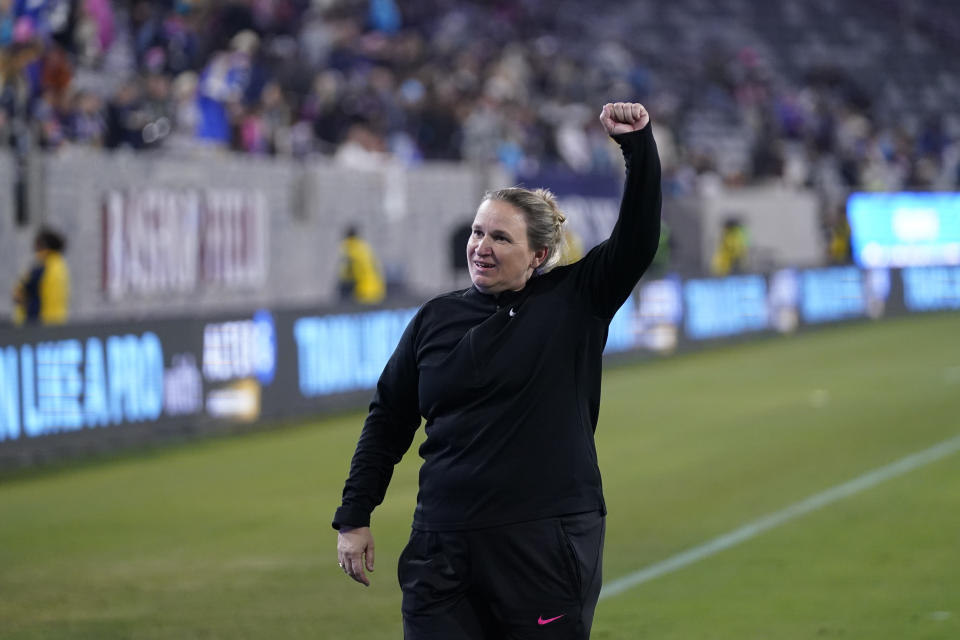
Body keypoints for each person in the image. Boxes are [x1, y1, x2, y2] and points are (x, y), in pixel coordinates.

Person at [333, 102, 661, 639]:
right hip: (441, 546)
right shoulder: (436, 318)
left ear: (539, 254)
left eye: (501, 238)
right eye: (478, 232)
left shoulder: (575, 300)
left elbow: (639, 238)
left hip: (542, 547)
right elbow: (389, 419)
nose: (481, 247)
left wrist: (637, 147)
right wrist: (354, 514)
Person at [12, 227, 70, 325]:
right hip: (58, 322)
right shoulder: (60, 265)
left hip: (38, 324)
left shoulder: (41, 267)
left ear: (44, 245)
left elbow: (19, 294)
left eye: (37, 244)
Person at [337, 225, 386, 304]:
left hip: (361, 293)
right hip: (376, 290)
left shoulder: (349, 249)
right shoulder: (365, 247)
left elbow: (347, 274)